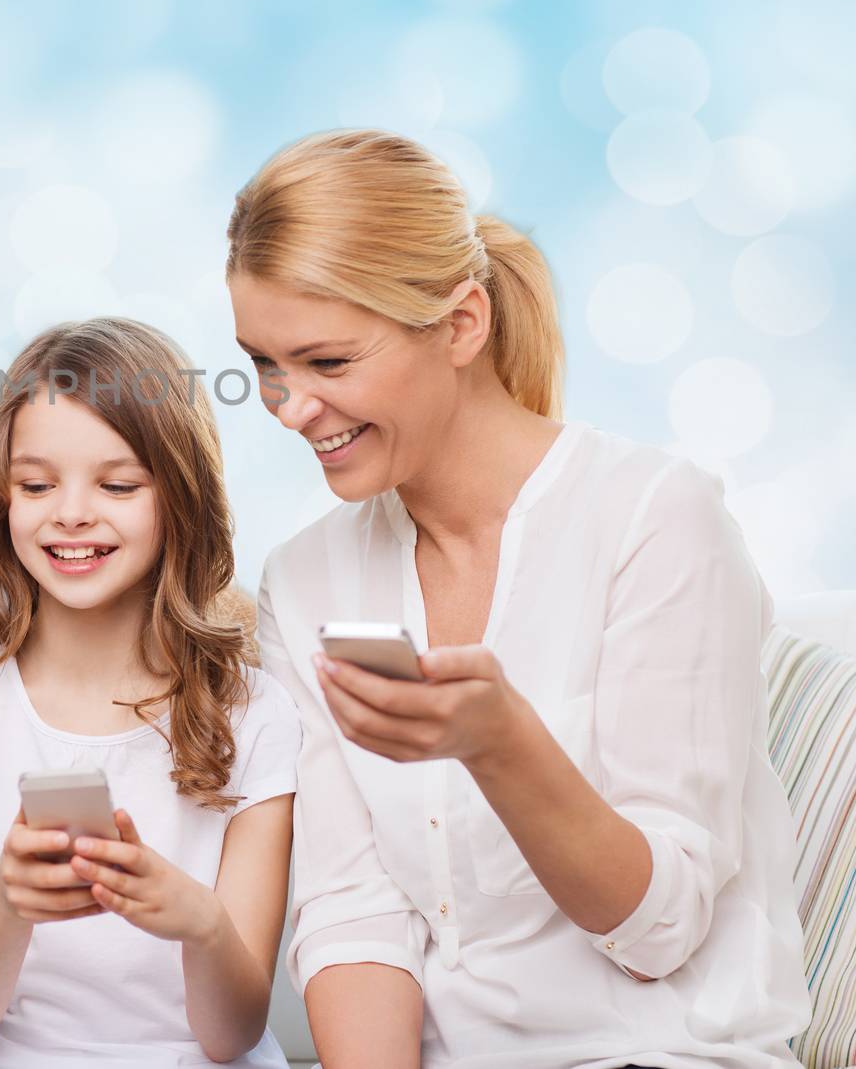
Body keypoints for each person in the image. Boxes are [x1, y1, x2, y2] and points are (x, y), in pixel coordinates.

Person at [226, 129, 810, 1069]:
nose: (291, 408)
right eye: (265, 366)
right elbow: (353, 916)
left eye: (328, 364)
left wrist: (500, 744)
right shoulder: (306, 580)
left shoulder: (655, 519)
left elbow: (660, 928)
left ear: (462, 324)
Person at [0, 318, 301, 1068]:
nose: (70, 511)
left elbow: (231, 1033)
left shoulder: (255, 712)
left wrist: (199, 922)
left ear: (180, 498)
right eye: (37, 484)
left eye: (117, 484)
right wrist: (8, 899)